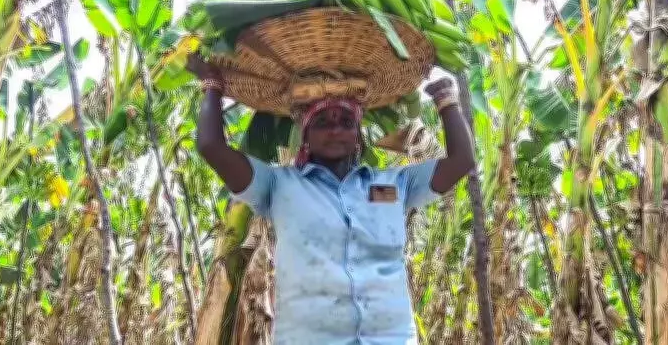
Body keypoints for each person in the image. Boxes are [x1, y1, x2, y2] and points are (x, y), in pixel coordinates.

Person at [188, 53, 475, 345]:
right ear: (306, 136)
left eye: (346, 121)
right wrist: (212, 85)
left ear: (357, 135)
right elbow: (211, 146)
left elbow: (461, 161)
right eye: (323, 122)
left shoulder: (394, 185)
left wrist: (446, 100)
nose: (335, 129)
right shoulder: (278, 186)